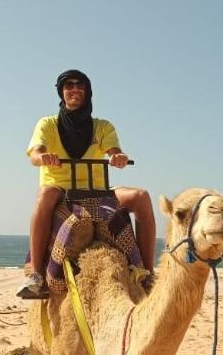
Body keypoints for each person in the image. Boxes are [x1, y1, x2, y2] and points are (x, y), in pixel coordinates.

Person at [16, 69, 156, 299]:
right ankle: (36, 275)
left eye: (80, 85)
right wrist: (42, 157)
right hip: (61, 188)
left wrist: (118, 157)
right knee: (45, 195)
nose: (74, 89)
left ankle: (147, 273)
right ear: (62, 92)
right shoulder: (48, 124)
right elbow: (35, 151)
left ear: (87, 92)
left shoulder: (102, 127)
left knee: (141, 196)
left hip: (97, 191)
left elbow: (114, 150)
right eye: (68, 85)